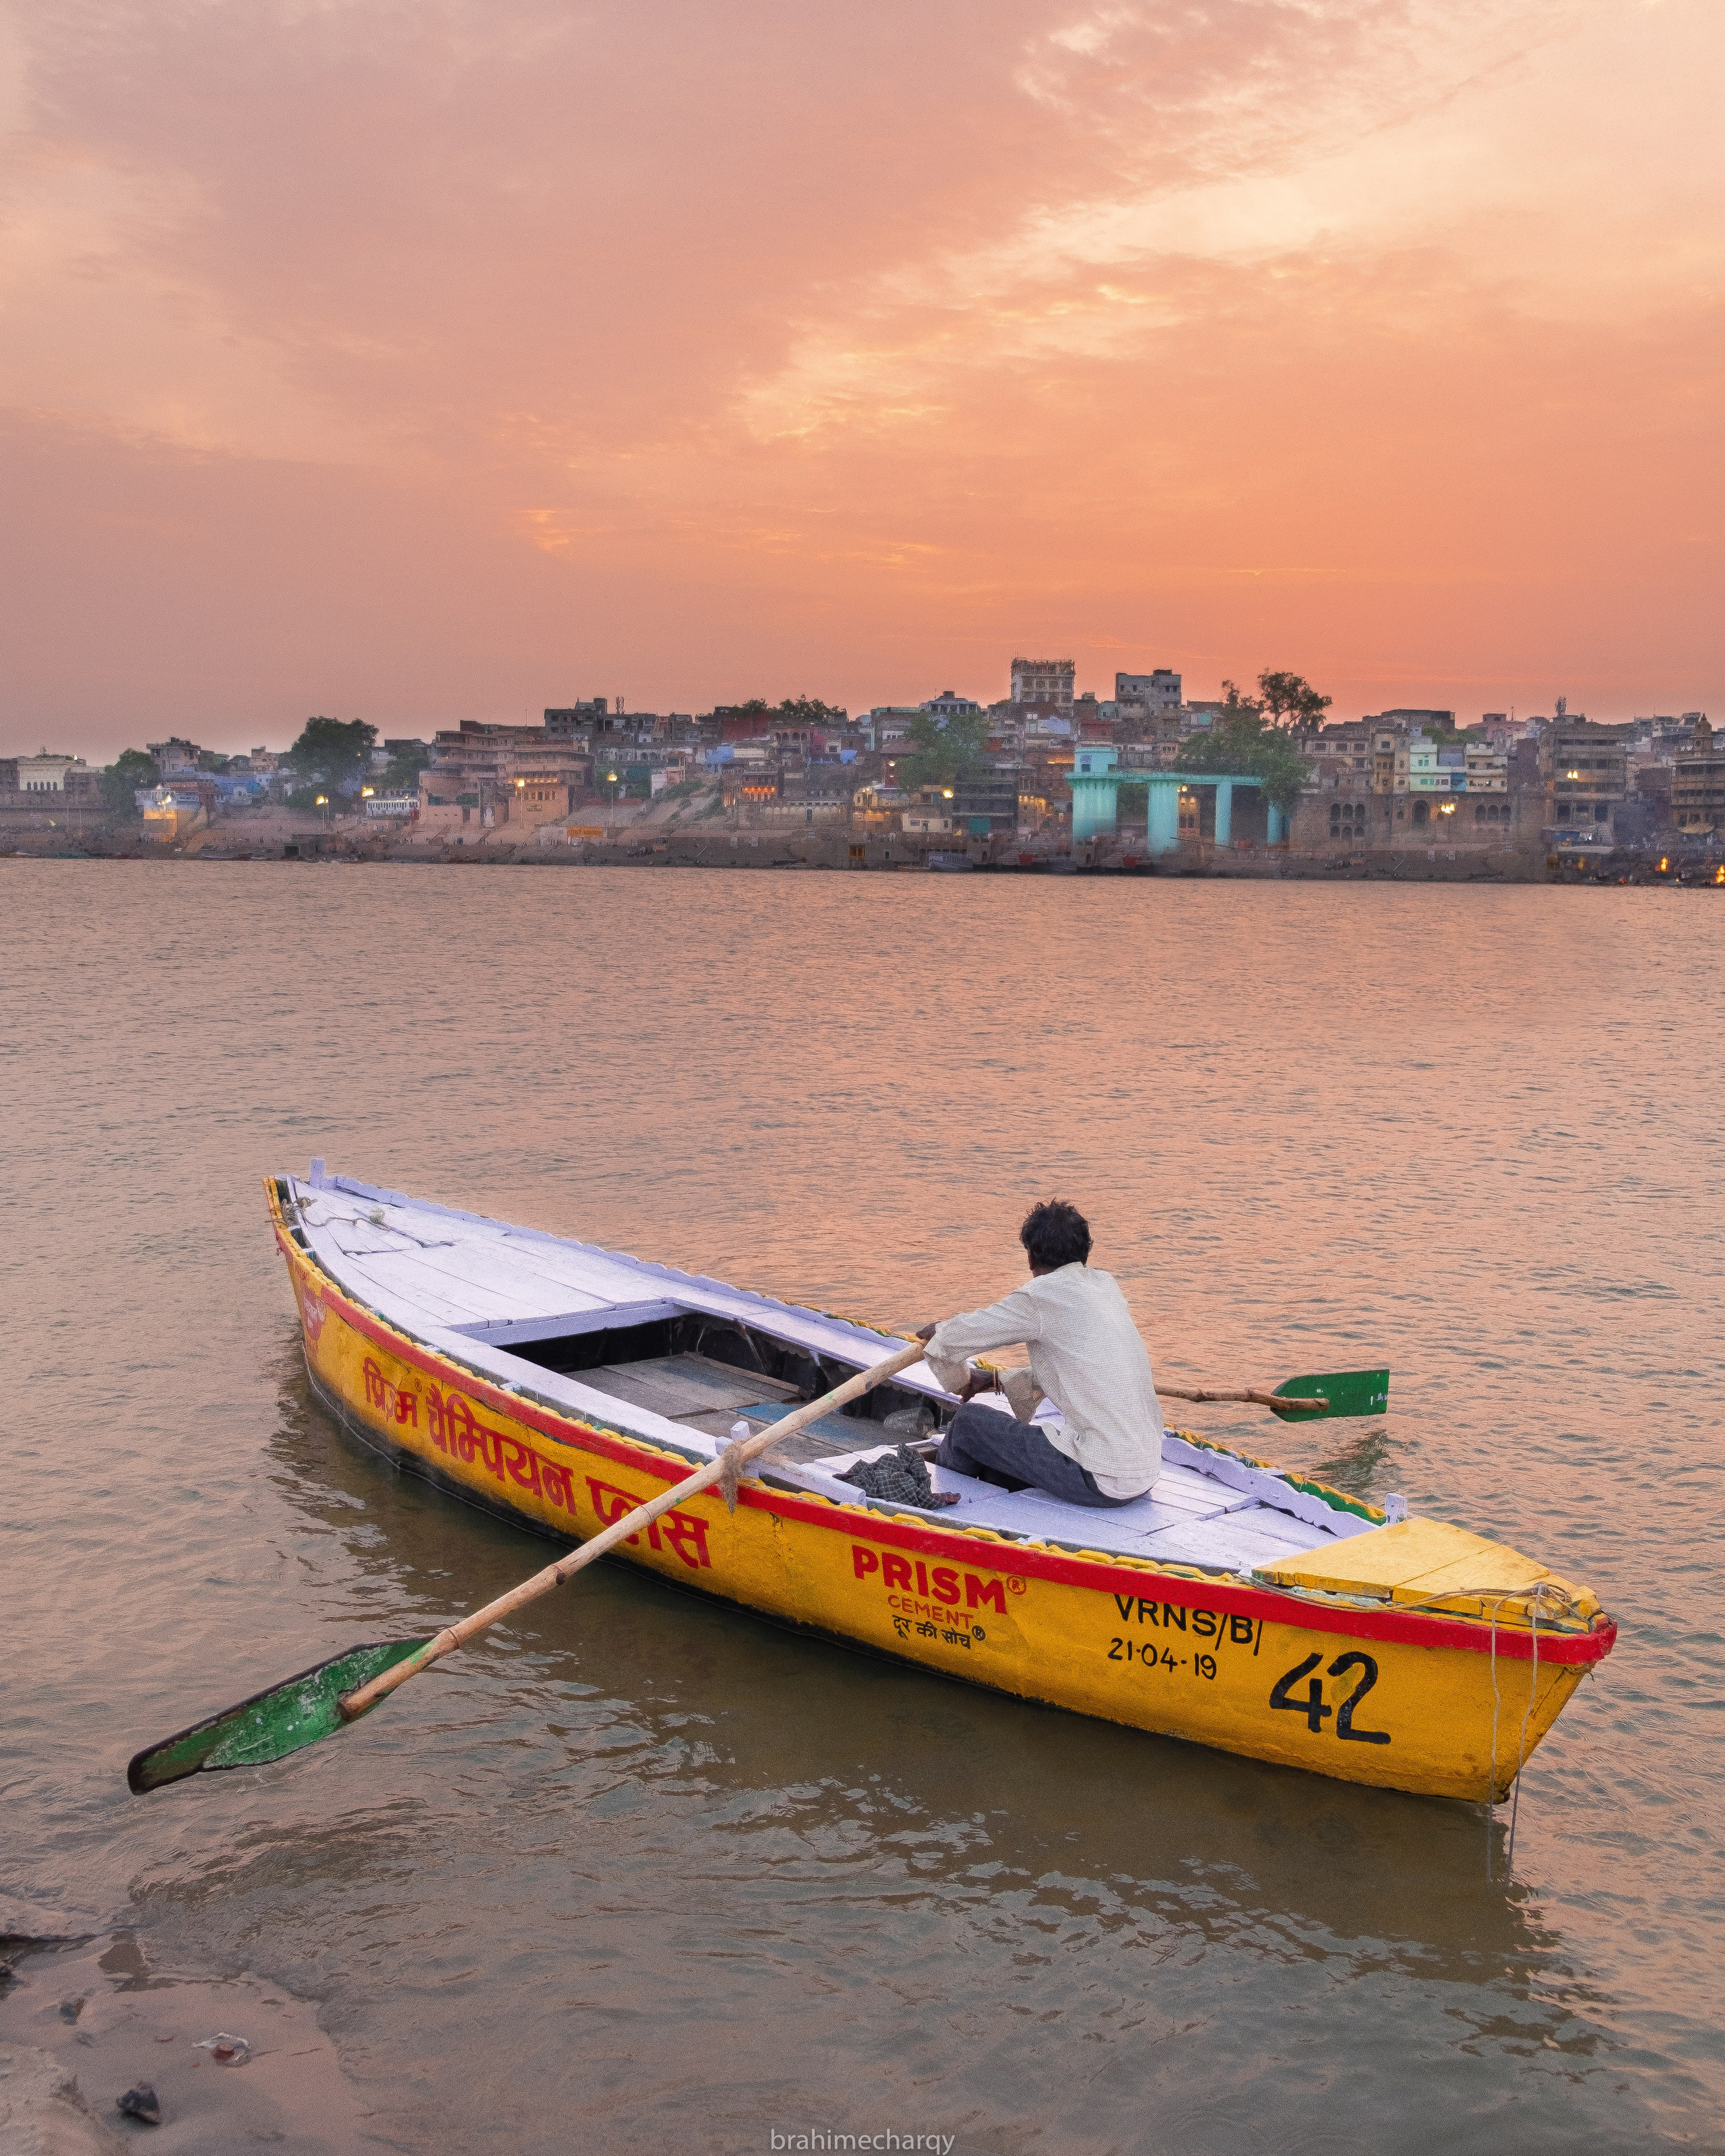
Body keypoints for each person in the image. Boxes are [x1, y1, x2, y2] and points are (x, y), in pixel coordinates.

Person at [915, 1200, 1163, 1509]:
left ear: (1031, 1256)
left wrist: (938, 1332)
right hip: (1145, 1471)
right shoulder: (1105, 1286)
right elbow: (1075, 1369)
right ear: (1085, 1251)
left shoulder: (1040, 1296)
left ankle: (942, 1507)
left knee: (968, 1423)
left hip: (1103, 1478)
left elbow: (961, 1335)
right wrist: (993, 1380)